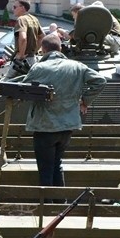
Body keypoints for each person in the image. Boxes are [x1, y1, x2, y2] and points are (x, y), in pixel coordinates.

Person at [16, 33, 106, 186]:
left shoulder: (39, 68)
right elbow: (100, 81)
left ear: (43, 50)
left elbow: (23, 92)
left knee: (45, 170)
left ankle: (48, 205)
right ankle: (60, 202)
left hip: (45, 127)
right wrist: (85, 101)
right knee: (56, 165)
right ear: (60, 48)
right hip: (67, 126)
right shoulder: (77, 67)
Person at [5, 0, 44, 78]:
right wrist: (34, 51)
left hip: (22, 60)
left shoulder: (21, 19)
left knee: (5, 83)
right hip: (32, 59)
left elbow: (23, 38)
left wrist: (21, 55)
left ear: (22, 7)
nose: (13, 9)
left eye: (15, 7)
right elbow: (42, 36)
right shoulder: (34, 19)